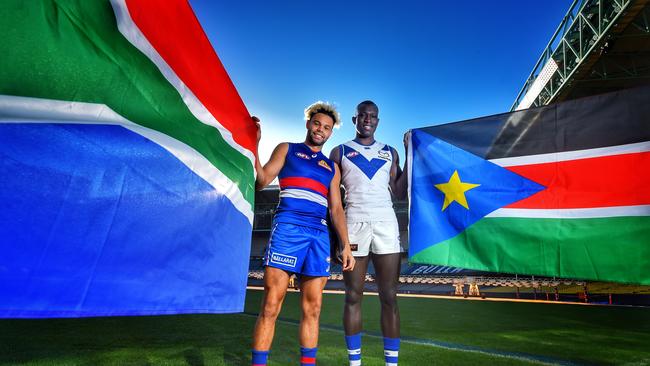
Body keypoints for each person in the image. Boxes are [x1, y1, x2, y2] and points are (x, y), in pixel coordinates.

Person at [251, 101, 356, 366]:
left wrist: (344, 244)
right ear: (309, 123)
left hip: (319, 235)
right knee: (271, 305)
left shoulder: (332, 167)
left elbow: (336, 208)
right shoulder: (287, 149)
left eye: (327, 127)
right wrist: (255, 144)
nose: (321, 129)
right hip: (288, 227)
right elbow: (262, 181)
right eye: (317, 123)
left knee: (314, 309)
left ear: (331, 133)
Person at [329, 100, 408, 366]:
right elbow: (334, 199)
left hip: (386, 223)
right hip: (354, 224)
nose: (367, 119)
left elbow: (399, 192)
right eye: (363, 115)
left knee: (389, 296)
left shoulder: (391, 152)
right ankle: (354, 363)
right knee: (352, 296)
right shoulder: (339, 151)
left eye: (373, 116)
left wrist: (408, 152)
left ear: (378, 121)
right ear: (355, 120)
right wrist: (337, 238)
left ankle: (391, 363)